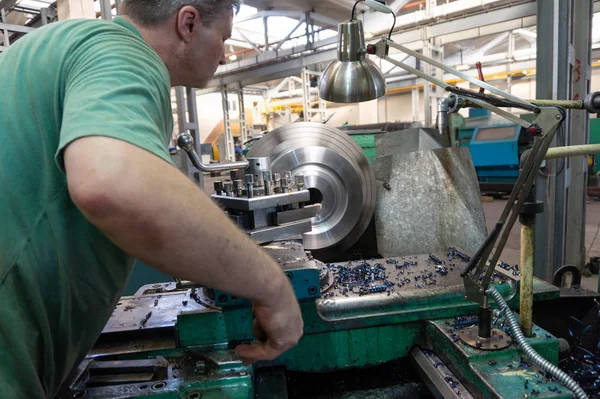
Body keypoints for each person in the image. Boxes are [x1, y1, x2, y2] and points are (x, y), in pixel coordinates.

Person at [0, 1, 303, 397]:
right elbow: (110, 183)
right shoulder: (122, 53)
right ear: (188, 23)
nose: (226, 53)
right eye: (224, 38)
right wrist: (273, 288)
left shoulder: (45, 47)